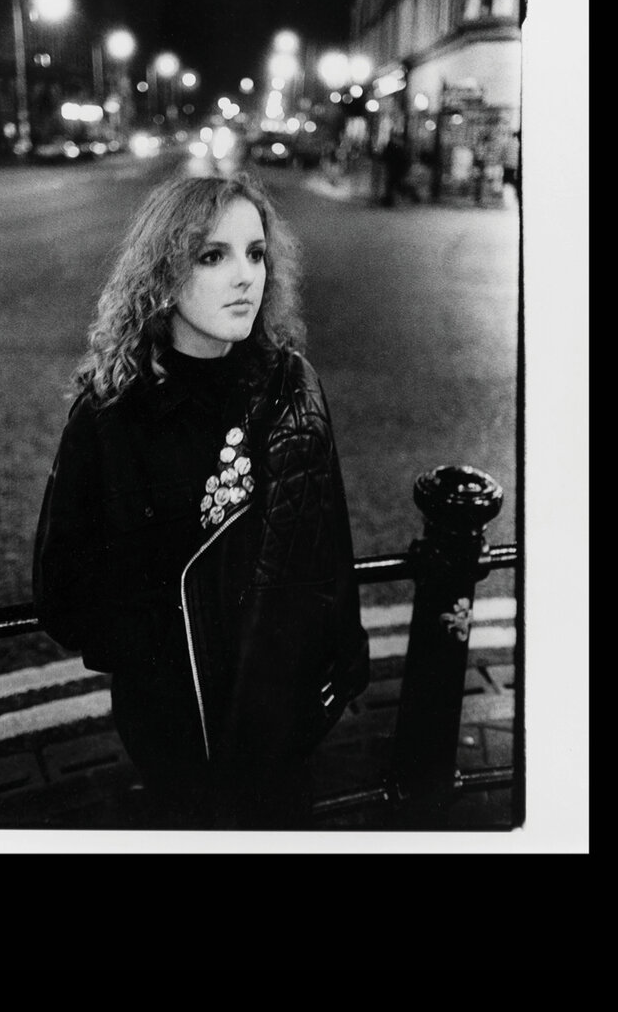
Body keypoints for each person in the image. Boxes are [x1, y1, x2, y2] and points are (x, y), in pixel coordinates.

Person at [30, 174, 368, 829]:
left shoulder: (288, 387)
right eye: (213, 256)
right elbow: (63, 587)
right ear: (164, 272)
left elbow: (328, 542)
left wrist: (330, 664)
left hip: (284, 717)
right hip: (174, 735)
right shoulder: (111, 417)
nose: (245, 275)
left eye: (256, 253)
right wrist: (157, 656)